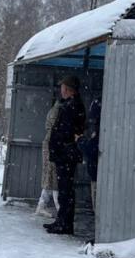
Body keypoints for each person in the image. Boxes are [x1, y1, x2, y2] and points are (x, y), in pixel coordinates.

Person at [44, 76, 87, 235]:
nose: (61, 90)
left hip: (66, 154)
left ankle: (65, 223)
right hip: (65, 153)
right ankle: (62, 221)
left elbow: (67, 131)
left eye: (62, 87)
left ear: (68, 89)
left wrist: (60, 146)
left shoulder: (73, 106)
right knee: (64, 189)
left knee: (66, 190)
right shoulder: (70, 105)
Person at [35, 94, 61, 217]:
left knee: (49, 177)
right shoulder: (57, 111)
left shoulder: (53, 110)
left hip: (50, 142)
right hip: (53, 144)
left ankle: (42, 205)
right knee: (54, 178)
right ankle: (58, 207)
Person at [82, 96, 102, 209]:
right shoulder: (98, 128)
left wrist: (81, 141)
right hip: (96, 172)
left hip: (96, 173)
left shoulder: (99, 129)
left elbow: (91, 149)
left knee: (97, 205)